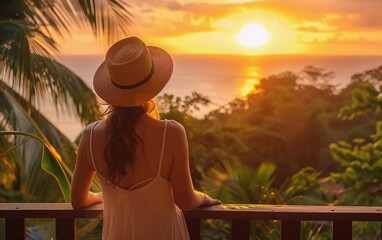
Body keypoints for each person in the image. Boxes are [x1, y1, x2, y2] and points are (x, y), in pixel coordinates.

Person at [70, 36, 221, 240]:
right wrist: (204, 198)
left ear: (112, 90)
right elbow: (185, 200)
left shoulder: (90, 135)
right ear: (151, 85)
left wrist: (101, 196)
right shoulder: (171, 133)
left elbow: (77, 201)